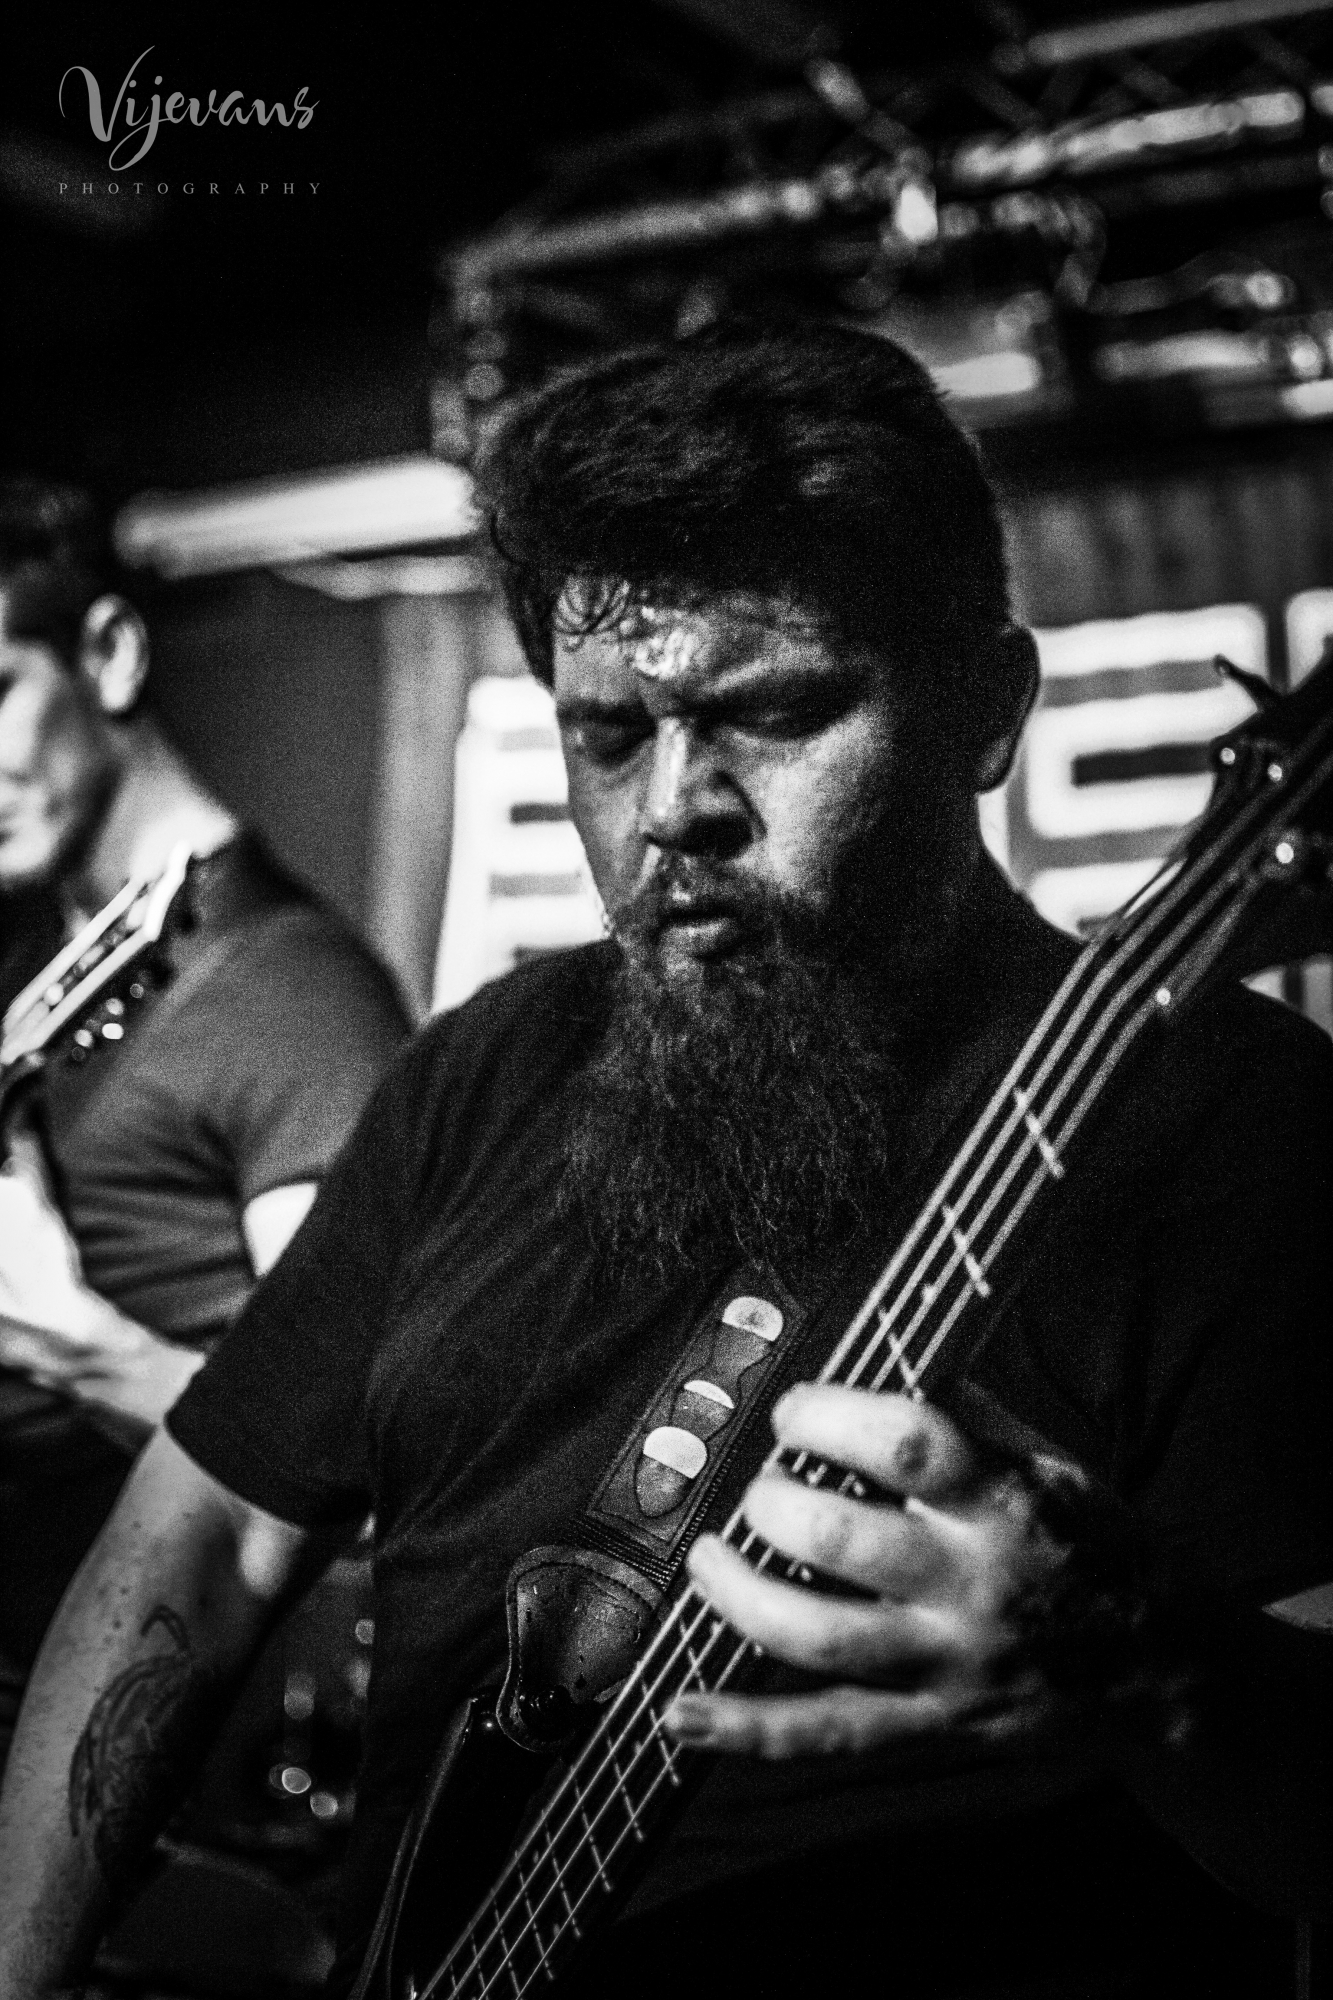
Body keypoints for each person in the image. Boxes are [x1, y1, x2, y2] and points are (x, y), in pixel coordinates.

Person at [0, 329, 1329, 2000]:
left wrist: (1151, 1667)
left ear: (987, 709)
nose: (675, 807)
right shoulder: (480, 1074)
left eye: (770, 715)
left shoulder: (1241, 1128)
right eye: (609, 734)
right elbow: (200, 1543)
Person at [0, 478, 411, 1754]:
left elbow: (360, 1472)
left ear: (111, 654)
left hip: (162, 1750)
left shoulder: (294, 993)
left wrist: (78, 1343)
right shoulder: (45, 969)